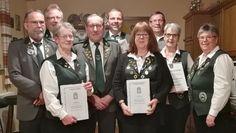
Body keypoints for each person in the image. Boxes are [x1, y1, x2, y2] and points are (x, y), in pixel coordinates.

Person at [113, 21, 173, 133]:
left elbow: (167, 82)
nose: (141, 37)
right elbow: (116, 83)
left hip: (151, 112)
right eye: (138, 34)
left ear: (150, 37)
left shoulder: (158, 58)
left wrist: (156, 99)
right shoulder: (124, 58)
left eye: (145, 34)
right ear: (133, 37)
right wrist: (122, 104)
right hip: (128, 112)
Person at [8, 9, 57, 133]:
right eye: (35, 22)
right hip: (29, 106)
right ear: (26, 25)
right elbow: (15, 75)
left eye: (42, 22)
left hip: (52, 108)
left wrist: (47, 95)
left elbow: (59, 73)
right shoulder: (16, 46)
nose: (39, 26)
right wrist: (39, 93)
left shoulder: (53, 46)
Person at [39, 22, 94, 133]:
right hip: (60, 121)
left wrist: (89, 89)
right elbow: (49, 96)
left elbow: (88, 92)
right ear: (56, 39)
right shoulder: (49, 64)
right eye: (64, 36)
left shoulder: (83, 63)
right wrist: (63, 115)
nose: (68, 39)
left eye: (71, 36)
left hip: (82, 118)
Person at [73, 14, 121, 133]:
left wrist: (110, 96)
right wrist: (92, 97)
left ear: (104, 28)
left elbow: (120, 75)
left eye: (98, 26)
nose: (95, 29)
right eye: (91, 26)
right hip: (85, 102)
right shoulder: (77, 48)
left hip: (109, 103)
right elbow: (74, 77)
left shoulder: (115, 47)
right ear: (86, 28)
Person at [188, 23, 234, 133]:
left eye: (208, 37)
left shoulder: (221, 58)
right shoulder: (200, 58)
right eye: (202, 37)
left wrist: (213, 113)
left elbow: (222, 88)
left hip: (214, 115)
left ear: (216, 39)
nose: (204, 40)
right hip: (200, 112)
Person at [160, 23, 193, 133]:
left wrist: (185, 85)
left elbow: (193, 76)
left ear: (178, 37)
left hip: (180, 105)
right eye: (168, 34)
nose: (171, 38)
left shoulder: (185, 55)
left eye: (174, 35)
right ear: (163, 36)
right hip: (161, 104)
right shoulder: (157, 56)